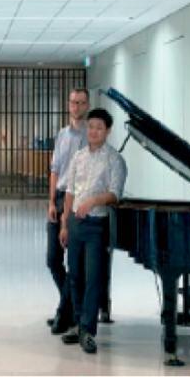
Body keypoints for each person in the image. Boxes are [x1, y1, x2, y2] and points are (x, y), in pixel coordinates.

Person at [60, 108, 127, 354]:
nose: (94, 131)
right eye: (91, 127)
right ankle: (78, 324)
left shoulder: (115, 160)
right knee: (75, 276)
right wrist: (65, 224)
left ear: (107, 131)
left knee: (93, 279)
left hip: (97, 225)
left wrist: (93, 201)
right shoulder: (78, 157)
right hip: (76, 225)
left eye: (99, 127)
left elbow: (115, 194)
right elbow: (69, 191)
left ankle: (88, 329)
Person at [46, 89, 89, 336]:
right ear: (68, 104)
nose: (77, 106)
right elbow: (55, 170)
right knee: (53, 259)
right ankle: (71, 308)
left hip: (79, 202)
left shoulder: (91, 136)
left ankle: (64, 312)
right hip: (60, 197)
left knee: (74, 262)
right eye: (73, 102)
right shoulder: (62, 135)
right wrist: (51, 201)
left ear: (87, 105)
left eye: (81, 103)